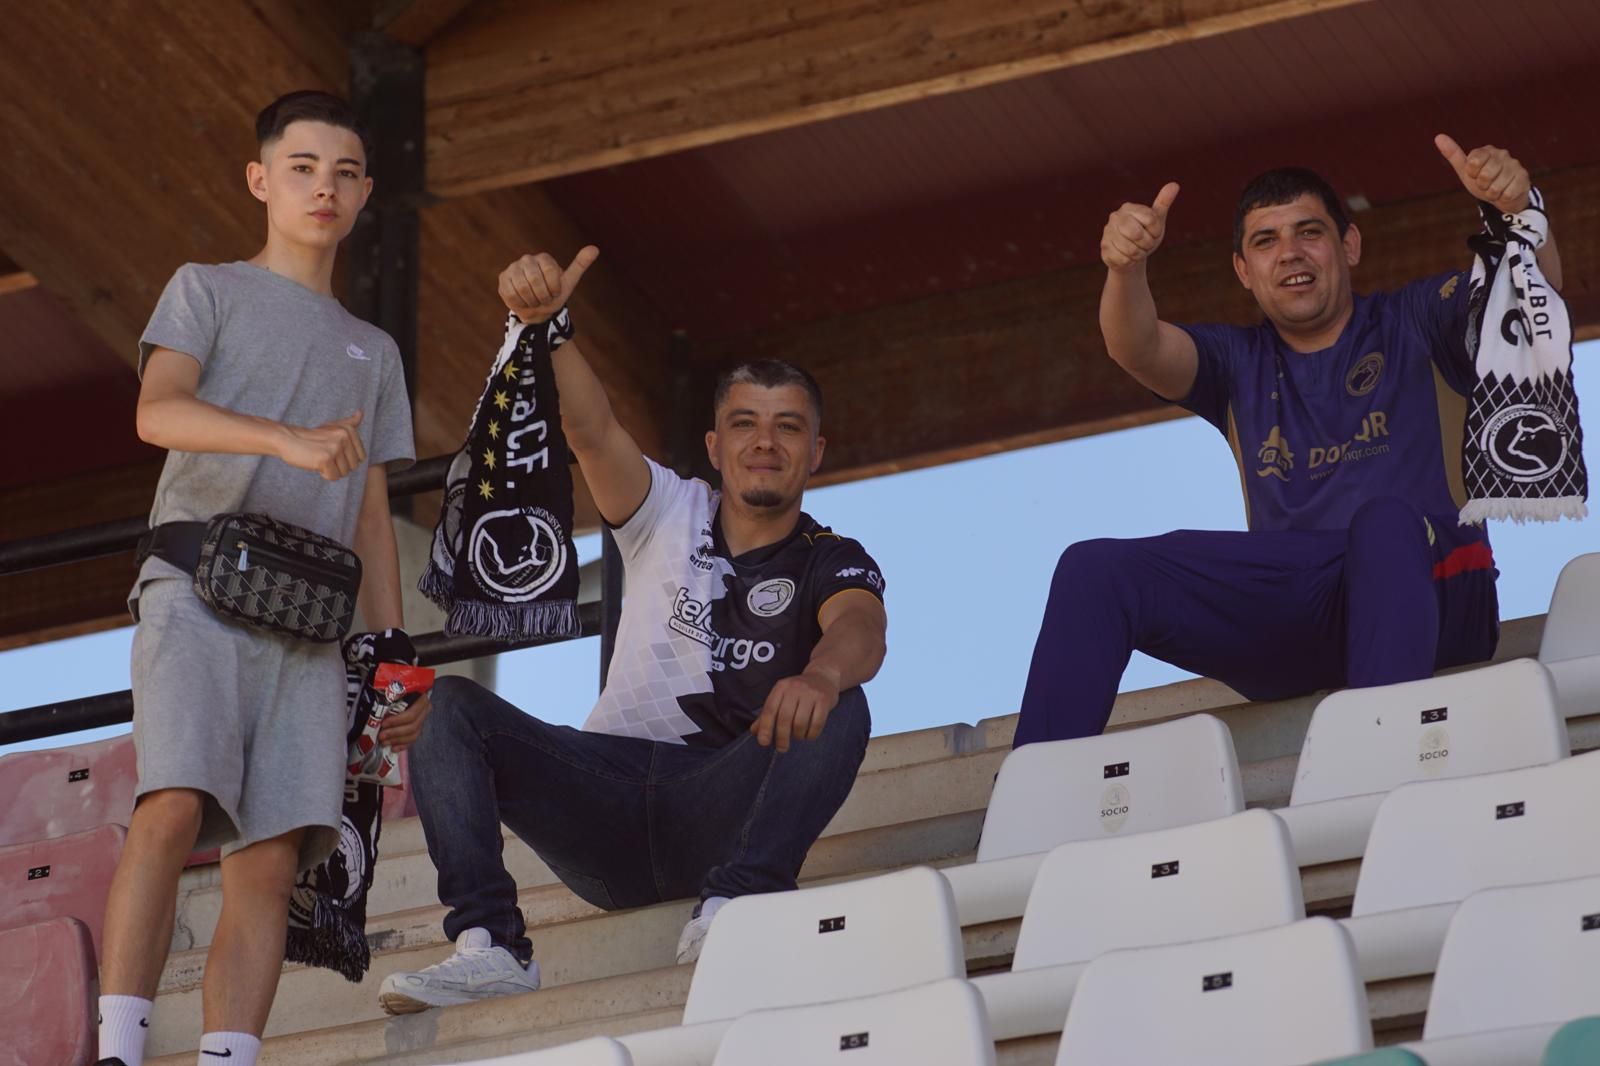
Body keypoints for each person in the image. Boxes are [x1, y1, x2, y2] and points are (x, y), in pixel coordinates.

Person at [378, 248, 889, 1014]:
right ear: (715, 447)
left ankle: (739, 908)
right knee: (449, 704)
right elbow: (592, 431)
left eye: (789, 428)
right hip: (604, 806)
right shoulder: (667, 511)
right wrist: (552, 328)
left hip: (719, 807)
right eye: (744, 423)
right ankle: (489, 947)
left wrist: (820, 674)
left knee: (844, 701)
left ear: (815, 452)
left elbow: (860, 629)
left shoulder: (831, 557)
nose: (765, 441)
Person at [1013, 135, 1563, 746]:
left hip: (1439, 597)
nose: (1290, 253)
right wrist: (1125, 268)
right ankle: (1033, 798)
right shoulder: (1236, 362)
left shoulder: (1416, 319)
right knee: (1094, 570)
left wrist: (1518, 213)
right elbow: (1134, 346)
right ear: (1244, 272)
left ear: (1348, 246)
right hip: (1303, 607)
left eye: (1310, 232)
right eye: (1265, 241)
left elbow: (1532, 303)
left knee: (1383, 525)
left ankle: (1384, 762)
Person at [97, 92, 424, 1066]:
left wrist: (395, 655)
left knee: (274, 856)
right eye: (303, 166)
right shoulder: (207, 287)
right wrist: (282, 440)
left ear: (366, 195)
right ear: (260, 179)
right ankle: (117, 1047)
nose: (324, 187)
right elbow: (158, 413)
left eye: (346, 173)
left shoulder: (375, 350)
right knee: (171, 803)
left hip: (310, 624)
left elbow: (370, 508)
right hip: (196, 589)